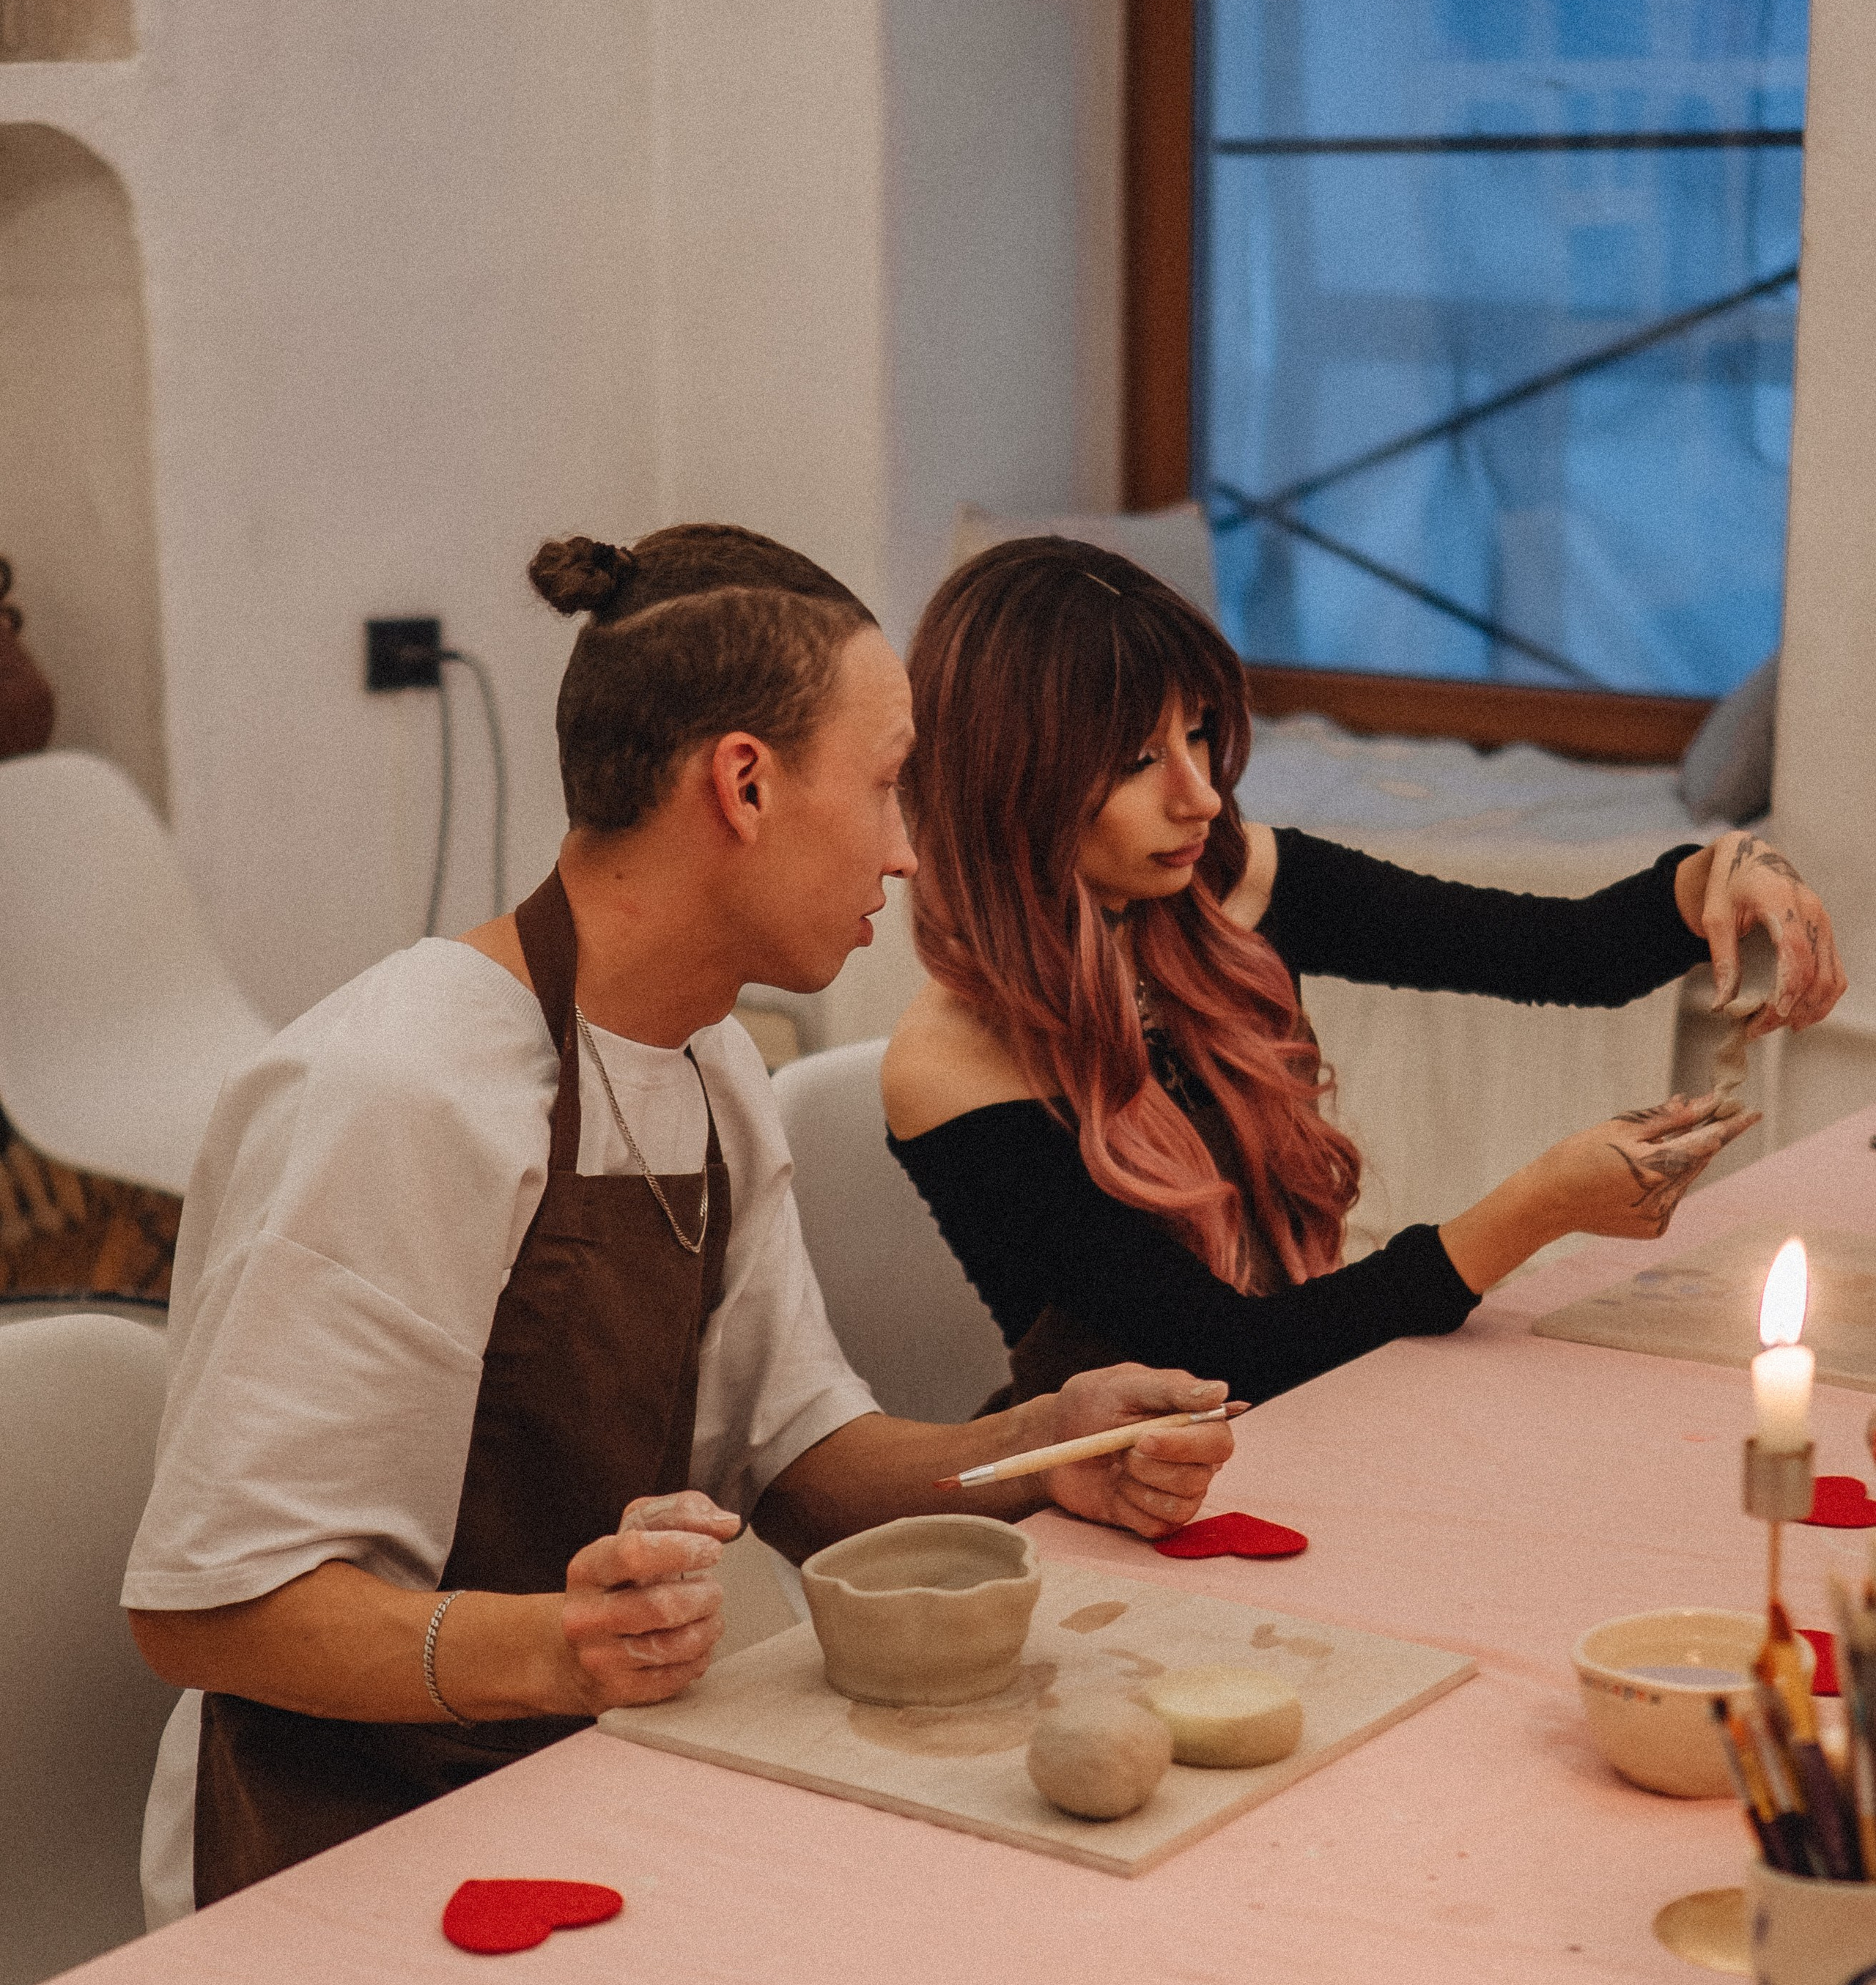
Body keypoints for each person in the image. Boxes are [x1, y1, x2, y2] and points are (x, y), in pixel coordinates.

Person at [126, 525, 1238, 1912]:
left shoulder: (710, 1060)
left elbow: (797, 1454)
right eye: (890, 788)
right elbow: (205, 1608)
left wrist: (1036, 1447)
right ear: (746, 783)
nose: (905, 854)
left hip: (576, 1784)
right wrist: (557, 1649)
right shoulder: (396, 1090)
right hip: (336, 1846)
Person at [882, 537, 1845, 1409]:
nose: (1202, 796)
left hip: (1309, 1411)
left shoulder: (1236, 885)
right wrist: (1540, 1205)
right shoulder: (952, 1063)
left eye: (1200, 734)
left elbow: (1562, 953)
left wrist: (1719, 874)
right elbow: (1223, 1357)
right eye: (1140, 761)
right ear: (1014, 784)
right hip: (1115, 1490)